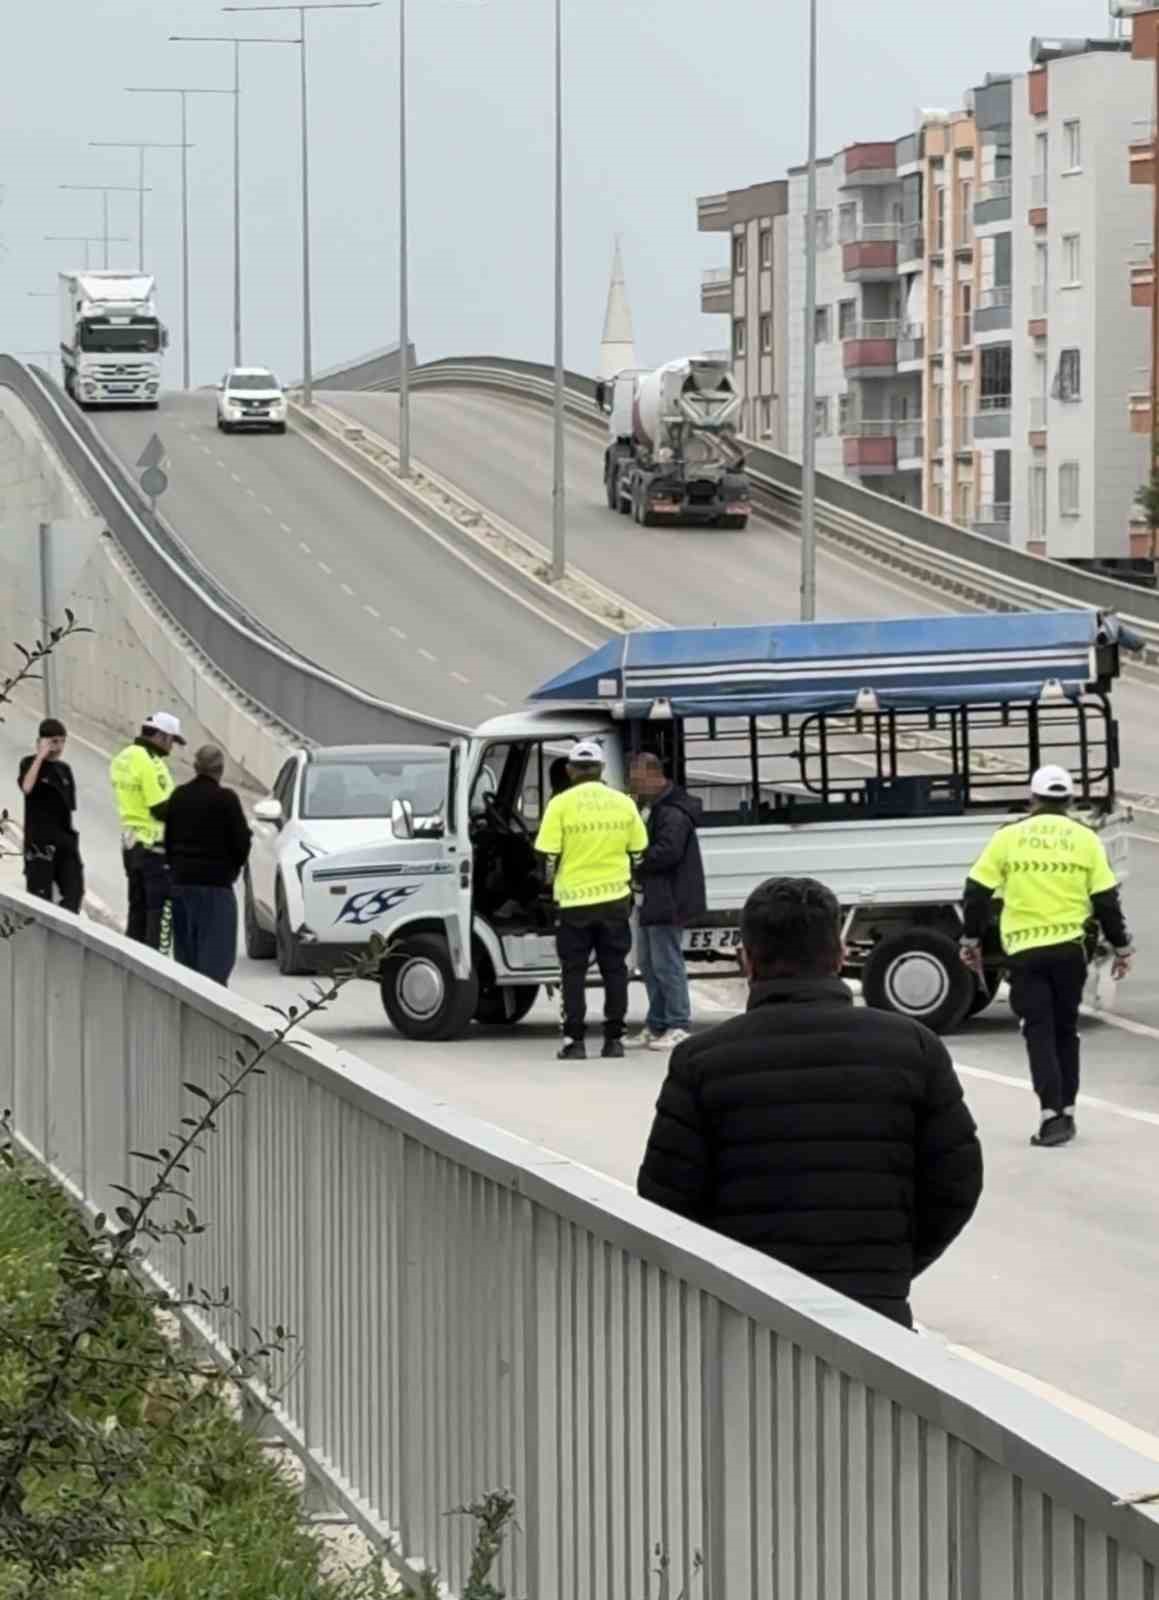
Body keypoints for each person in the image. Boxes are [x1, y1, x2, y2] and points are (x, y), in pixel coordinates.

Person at [637, 876, 983, 1328]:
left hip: (747, 1317)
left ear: (747, 960)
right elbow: (957, 1182)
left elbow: (666, 1201)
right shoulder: (913, 1048)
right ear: (840, 955)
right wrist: (888, 1265)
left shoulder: (701, 1062)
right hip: (875, 1318)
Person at [961, 764, 1133, 1149]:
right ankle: (1067, 1109)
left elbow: (976, 891)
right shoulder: (1086, 839)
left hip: (1025, 951)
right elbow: (1106, 900)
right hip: (1071, 950)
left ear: (1032, 798)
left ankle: (1051, 1115)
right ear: (1070, 799)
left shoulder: (1008, 837)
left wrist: (971, 939)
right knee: (1064, 1029)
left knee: (1037, 1030)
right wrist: (1122, 947)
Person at [534, 740, 649, 1061]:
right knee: (615, 970)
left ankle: (574, 1042)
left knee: (573, 973)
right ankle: (614, 1040)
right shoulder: (623, 803)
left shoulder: (560, 804)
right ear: (600, 770)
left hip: (574, 903)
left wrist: (547, 888)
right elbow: (639, 850)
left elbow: (548, 856)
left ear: (571, 770)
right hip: (615, 901)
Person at [628, 752, 706, 1051]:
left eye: (636, 780)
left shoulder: (672, 812)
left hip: (669, 897)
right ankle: (657, 1023)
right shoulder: (656, 807)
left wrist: (636, 859)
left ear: (651, 774)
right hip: (654, 897)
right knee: (649, 964)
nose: (633, 787)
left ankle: (678, 1024)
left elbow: (668, 852)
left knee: (667, 963)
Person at [164, 745, 252, 986]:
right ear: (220, 770)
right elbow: (242, 843)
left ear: (195, 767)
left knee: (187, 960)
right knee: (216, 963)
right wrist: (231, 871)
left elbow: (168, 841)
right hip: (216, 888)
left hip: (182, 887)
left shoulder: (179, 796)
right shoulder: (227, 800)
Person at [110, 711, 185, 949]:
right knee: (159, 917)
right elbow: (159, 809)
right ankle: (155, 971)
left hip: (131, 844)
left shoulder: (123, 757)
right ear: (161, 736)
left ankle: (133, 970)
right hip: (154, 848)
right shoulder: (151, 762)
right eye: (172, 740)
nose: (172, 747)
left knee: (137, 912)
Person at [17, 718, 84, 913]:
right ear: (42, 742)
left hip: (65, 843)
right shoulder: (29, 764)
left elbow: (70, 807)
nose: (59, 747)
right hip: (40, 847)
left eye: (62, 741)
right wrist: (40, 756)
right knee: (40, 903)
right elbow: (27, 787)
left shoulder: (64, 770)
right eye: (54, 742)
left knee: (74, 894)